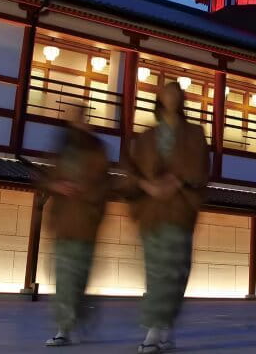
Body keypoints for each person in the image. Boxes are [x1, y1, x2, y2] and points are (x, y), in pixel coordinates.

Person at [126, 82, 210, 353]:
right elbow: (132, 170)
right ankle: (158, 328)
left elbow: (201, 168)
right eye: (167, 92)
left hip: (179, 207)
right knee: (155, 270)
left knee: (175, 270)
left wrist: (177, 181)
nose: (172, 96)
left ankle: (160, 325)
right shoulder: (147, 137)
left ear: (182, 99)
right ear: (159, 99)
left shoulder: (195, 133)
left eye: (176, 92)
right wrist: (147, 185)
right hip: (152, 210)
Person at [39, 106, 111, 347]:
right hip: (63, 222)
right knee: (63, 278)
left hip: (85, 223)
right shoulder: (61, 147)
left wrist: (85, 192)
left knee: (78, 277)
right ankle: (64, 328)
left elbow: (104, 184)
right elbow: (46, 177)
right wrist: (57, 186)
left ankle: (80, 310)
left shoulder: (97, 148)